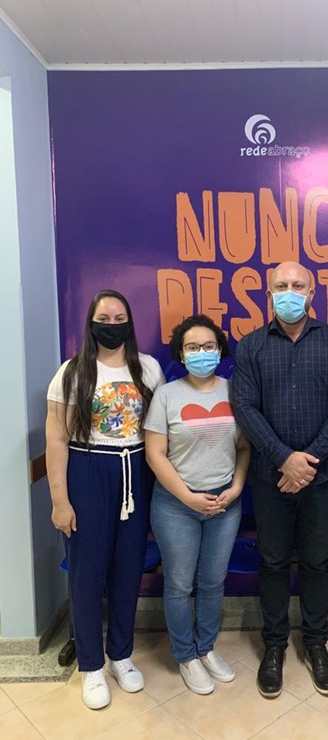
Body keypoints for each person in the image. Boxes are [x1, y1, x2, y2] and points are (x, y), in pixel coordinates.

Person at [232, 261, 328, 699]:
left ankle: (316, 643)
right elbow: (246, 408)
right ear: (269, 293)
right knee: (271, 562)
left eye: (298, 285)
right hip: (270, 479)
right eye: (281, 286)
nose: (290, 291)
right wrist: (285, 459)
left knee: (316, 562)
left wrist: (308, 463)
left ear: (312, 292)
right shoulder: (250, 346)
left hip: (320, 479)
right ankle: (274, 646)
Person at [46, 289, 164, 710]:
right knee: (87, 572)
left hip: (136, 471)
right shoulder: (72, 372)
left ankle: (120, 655)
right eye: (104, 319)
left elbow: (159, 429)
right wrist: (60, 500)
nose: (111, 325)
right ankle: (91, 666)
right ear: (91, 323)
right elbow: (56, 439)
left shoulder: (147, 368)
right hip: (88, 470)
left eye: (119, 319)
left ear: (129, 323)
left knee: (128, 568)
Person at [145, 315, 250, 695]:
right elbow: (155, 454)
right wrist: (187, 496)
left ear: (220, 350)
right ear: (181, 353)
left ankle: (206, 648)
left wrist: (236, 487)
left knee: (212, 581)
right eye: (192, 347)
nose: (201, 353)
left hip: (225, 503)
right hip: (176, 505)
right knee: (178, 583)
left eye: (208, 346)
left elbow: (244, 447)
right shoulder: (167, 395)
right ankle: (186, 655)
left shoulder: (235, 392)